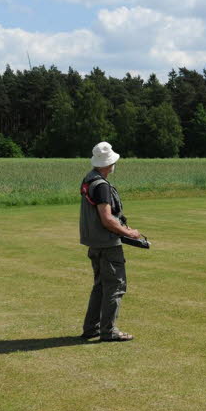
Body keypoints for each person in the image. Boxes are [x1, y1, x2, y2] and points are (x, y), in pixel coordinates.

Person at [79, 141, 142, 342]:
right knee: (115, 286)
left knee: (100, 286)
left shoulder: (89, 179)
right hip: (107, 244)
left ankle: (92, 328)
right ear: (108, 163)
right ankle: (108, 330)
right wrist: (129, 232)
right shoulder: (102, 186)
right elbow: (106, 219)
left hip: (94, 243)